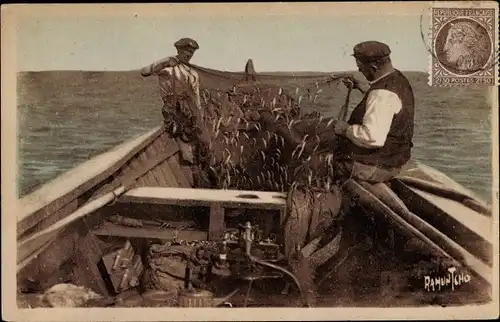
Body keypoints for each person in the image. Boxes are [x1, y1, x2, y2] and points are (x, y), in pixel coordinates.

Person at [332, 40, 415, 183]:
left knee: (317, 160)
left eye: (360, 67)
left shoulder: (381, 94)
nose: (359, 71)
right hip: (396, 157)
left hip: (377, 167)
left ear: (374, 66)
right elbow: (388, 104)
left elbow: (372, 137)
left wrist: (345, 130)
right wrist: (362, 87)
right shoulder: (398, 79)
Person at [140, 37, 204, 164]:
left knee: (194, 145)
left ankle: (190, 162)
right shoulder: (167, 69)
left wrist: (199, 115)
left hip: (189, 114)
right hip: (173, 113)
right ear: (178, 50)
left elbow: (196, 97)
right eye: (186, 51)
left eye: (191, 52)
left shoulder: (192, 73)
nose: (188, 55)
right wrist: (164, 61)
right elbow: (144, 72)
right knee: (183, 141)